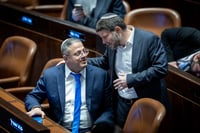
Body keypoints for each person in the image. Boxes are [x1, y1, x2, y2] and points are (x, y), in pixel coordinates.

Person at [87, 13, 168, 128]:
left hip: (145, 102)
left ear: (117, 30)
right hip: (122, 103)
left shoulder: (149, 39)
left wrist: (130, 79)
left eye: (105, 37)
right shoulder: (113, 43)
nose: (103, 42)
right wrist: (82, 61)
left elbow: (161, 68)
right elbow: (104, 62)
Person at [24, 38, 114, 133]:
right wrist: (35, 107)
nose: (83, 56)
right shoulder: (51, 76)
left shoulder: (100, 76)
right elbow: (32, 96)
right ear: (66, 58)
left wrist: (98, 128)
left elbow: (108, 109)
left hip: (89, 129)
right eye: (78, 53)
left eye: (84, 51)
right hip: (59, 128)